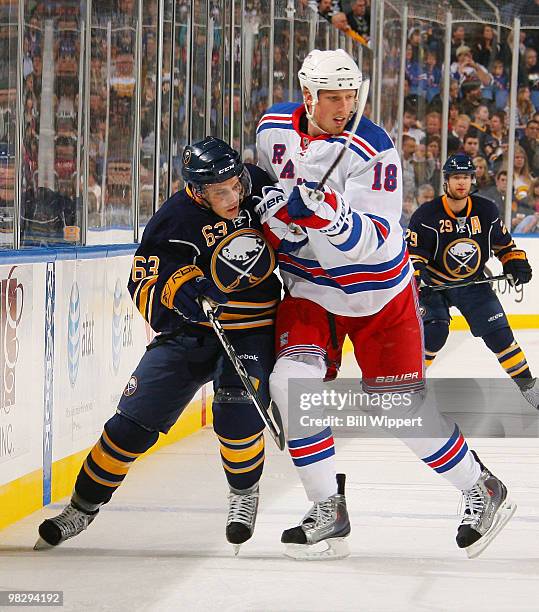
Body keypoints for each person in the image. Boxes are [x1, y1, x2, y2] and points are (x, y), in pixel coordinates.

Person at [255, 49, 515, 560]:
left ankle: (481, 487)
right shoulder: (273, 129)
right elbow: (265, 187)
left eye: (351, 95)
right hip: (311, 291)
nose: (344, 106)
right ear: (308, 95)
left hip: (377, 292)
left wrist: (327, 216)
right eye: (332, 96)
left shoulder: (374, 150)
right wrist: (271, 208)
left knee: (399, 409)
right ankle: (328, 505)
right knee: (291, 384)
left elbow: (374, 239)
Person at [35, 138, 282, 553]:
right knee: (129, 426)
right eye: (220, 192)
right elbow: (144, 283)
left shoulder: (256, 186)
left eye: (235, 186)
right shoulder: (174, 220)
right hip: (190, 334)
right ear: (197, 190)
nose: (233, 196)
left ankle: (243, 495)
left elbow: (296, 234)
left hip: (252, 329)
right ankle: (81, 507)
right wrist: (181, 292)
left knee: (236, 413)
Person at [406, 154, 537, 406]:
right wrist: (417, 277)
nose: (461, 182)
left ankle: (529, 387)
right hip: (435, 285)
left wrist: (513, 261)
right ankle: (410, 387)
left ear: (472, 179)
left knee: (501, 337)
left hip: (473, 282)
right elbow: (414, 254)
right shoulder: (426, 215)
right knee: (434, 333)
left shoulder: (486, 210)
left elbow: (503, 243)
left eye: (466, 177)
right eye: (456, 177)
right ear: (446, 181)